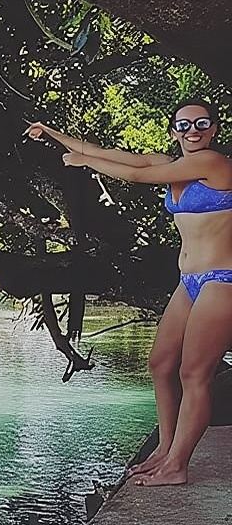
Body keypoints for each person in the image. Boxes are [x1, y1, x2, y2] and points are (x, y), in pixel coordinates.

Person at [26, 100, 229, 486]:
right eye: (184, 125)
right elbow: (113, 155)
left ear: (214, 129)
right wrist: (52, 135)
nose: (193, 131)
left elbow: (134, 177)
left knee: (194, 371)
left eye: (202, 123)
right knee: (160, 363)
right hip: (188, 281)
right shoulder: (170, 166)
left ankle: (177, 466)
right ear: (174, 132)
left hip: (223, 279)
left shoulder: (213, 163)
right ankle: (164, 449)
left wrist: (85, 164)